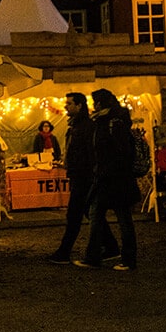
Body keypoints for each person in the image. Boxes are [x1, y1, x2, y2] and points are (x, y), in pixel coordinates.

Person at [48, 92, 119, 265]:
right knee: (91, 214)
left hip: (84, 178)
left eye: (69, 103)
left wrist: (88, 173)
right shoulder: (76, 126)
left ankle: (64, 252)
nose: (66, 106)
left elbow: (90, 153)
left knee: (74, 215)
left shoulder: (86, 127)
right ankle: (111, 246)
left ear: (79, 106)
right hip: (79, 176)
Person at [75, 88, 139, 271]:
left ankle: (127, 259)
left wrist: (105, 169)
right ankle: (96, 256)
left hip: (115, 179)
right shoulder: (105, 121)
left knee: (122, 218)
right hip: (107, 177)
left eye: (95, 103)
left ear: (100, 104)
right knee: (96, 214)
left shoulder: (113, 123)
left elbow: (120, 151)